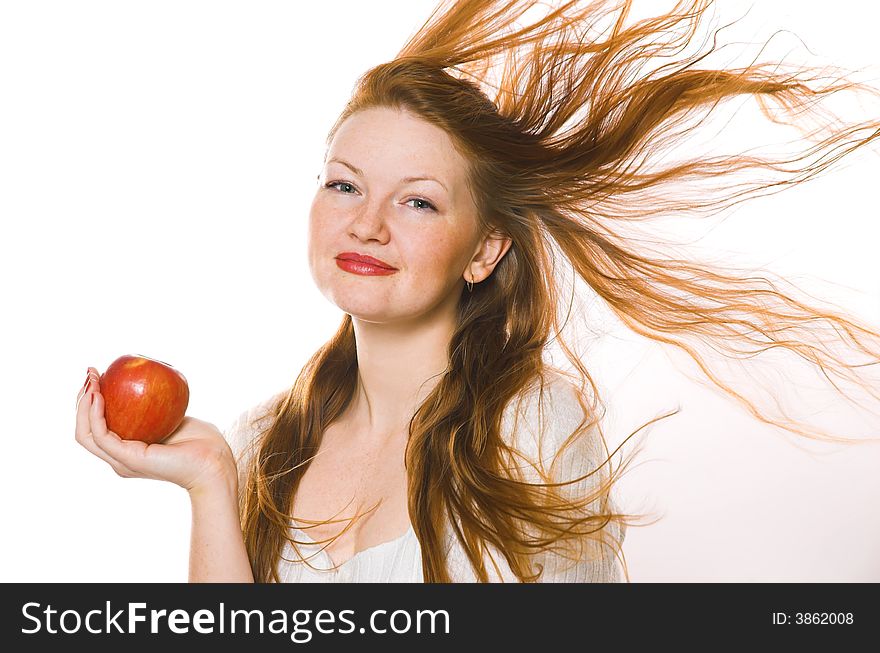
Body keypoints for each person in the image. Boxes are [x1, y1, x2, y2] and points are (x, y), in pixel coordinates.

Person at [75, 0, 880, 583]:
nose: (368, 225)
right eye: (345, 186)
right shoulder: (258, 442)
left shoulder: (530, 426)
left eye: (417, 200)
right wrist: (210, 479)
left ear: (484, 250)